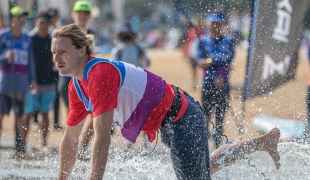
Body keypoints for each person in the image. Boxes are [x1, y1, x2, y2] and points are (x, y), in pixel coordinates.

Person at [53, 24, 281, 180]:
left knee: (198, 175)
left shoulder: (98, 74)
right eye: (54, 52)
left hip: (181, 117)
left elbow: (102, 138)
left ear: (82, 49)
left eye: (62, 51)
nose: (56, 58)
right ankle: (262, 143)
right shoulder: (76, 86)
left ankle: (261, 143)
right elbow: (70, 139)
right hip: (175, 117)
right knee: (204, 170)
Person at [0, 6, 37, 158]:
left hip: (21, 85)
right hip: (5, 84)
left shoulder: (27, 37)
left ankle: (20, 146)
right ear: (12, 19)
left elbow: (31, 61)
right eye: (18, 17)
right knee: (1, 114)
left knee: (20, 116)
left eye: (23, 17)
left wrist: (33, 79)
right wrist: (5, 57)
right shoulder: (4, 36)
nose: (21, 20)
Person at [19, 11, 57, 156]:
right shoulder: (29, 39)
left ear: (50, 24)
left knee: (45, 114)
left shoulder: (52, 39)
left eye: (46, 23)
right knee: (27, 114)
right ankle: (22, 144)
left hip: (49, 82)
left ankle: (44, 144)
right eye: (41, 23)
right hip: (31, 83)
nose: (43, 26)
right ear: (36, 23)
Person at [197, 12, 236, 148]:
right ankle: (203, 147)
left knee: (220, 119)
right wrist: (214, 75)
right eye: (213, 23)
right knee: (205, 118)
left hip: (223, 85)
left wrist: (211, 60)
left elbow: (228, 58)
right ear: (209, 24)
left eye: (217, 23)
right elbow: (200, 62)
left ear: (221, 24)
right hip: (207, 84)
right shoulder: (202, 41)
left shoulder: (229, 40)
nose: (215, 26)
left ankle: (218, 148)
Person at [182, 15, 205, 90]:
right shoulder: (190, 31)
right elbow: (187, 42)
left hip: (199, 53)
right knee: (193, 69)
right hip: (192, 52)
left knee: (203, 68)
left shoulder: (201, 31)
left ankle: (203, 83)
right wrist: (185, 53)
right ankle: (194, 83)